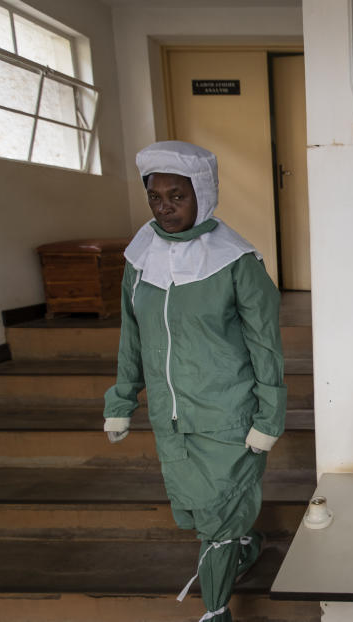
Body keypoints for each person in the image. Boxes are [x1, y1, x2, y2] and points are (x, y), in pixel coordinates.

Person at [103, 141, 286, 622]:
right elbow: (132, 335)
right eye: (155, 197)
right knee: (202, 510)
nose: (164, 208)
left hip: (227, 414)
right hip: (171, 417)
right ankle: (246, 545)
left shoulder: (237, 262)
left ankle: (216, 609)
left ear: (201, 193)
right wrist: (122, 399)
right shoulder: (140, 259)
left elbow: (266, 346)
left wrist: (270, 415)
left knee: (216, 518)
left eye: (176, 196)